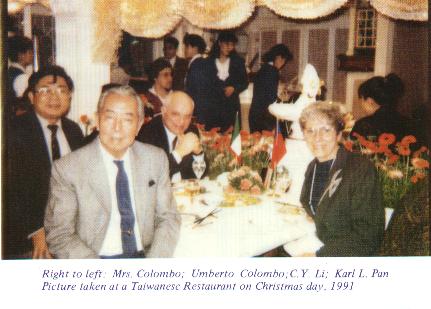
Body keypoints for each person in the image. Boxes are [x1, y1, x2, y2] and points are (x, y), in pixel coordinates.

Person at [44, 85, 180, 259]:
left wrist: (153, 267)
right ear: (98, 121)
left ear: (139, 126)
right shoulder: (68, 169)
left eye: (127, 120)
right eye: (110, 118)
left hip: (146, 257)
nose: (117, 128)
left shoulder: (155, 159)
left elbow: (168, 217)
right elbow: (60, 235)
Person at [5, 65, 84, 259]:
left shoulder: (74, 131)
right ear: (31, 97)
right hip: (28, 236)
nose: (54, 97)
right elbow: (10, 189)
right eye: (45, 90)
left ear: (70, 97)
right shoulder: (13, 131)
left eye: (61, 90)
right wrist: (36, 230)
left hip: (71, 232)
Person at [297, 101, 384, 256]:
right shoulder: (313, 167)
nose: (317, 138)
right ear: (304, 135)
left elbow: (368, 235)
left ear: (338, 134)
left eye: (325, 130)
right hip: (319, 244)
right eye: (310, 131)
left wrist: (320, 256)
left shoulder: (360, 169)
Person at [137, 91, 207, 182]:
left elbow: (199, 177)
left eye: (187, 116)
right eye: (176, 114)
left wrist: (198, 154)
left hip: (184, 194)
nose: (181, 122)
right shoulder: (147, 133)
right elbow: (151, 179)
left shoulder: (191, 130)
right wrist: (179, 153)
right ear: (163, 111)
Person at [350, 73, 420, 143]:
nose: (361, 105)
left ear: (369, 101)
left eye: (361, 100)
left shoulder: (363, 125)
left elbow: (352, 151)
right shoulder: (410, 124)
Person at [206, 31, 248, 131]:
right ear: (219, 43)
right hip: (214, 107)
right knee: (214, 139)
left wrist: (234, 88)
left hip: (231, 107)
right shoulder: (209, 61)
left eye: (232, 45)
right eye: (226, 44)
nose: (229, 47)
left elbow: (245, 83)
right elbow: (206, 84)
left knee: (232, 139)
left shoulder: (238, 61)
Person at [249, 44, 292, 133]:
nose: (283, 63)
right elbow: (271, 99)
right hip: (265, 118)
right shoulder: (273, 71)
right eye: (283, 60)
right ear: (278, 57)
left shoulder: (264, 68)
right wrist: (282, 99)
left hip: (255, 114)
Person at [183, 33, 210, 126]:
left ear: (195, 48)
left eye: (187, 47)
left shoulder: (198, 65)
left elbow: (199, 94)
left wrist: (196, 117)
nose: (185, 50)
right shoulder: (197, 63)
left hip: (198, 114)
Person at [7, 35, 34, 115]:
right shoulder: (22, 78)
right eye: (30, 52)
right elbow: (23, 108)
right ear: (21, 55)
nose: (32, 55)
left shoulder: (10, 72)